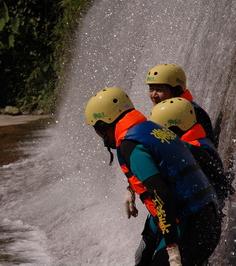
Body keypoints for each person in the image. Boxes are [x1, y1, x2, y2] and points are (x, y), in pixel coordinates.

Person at [85, 87, 221, 265]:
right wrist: (131, 189)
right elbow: (198, 154)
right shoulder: (151, 128)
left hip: (191, 226)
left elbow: (160, 192)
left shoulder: (129, 145)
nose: (98, 135)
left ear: (105, 123)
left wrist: (172, 248)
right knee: (143, 259)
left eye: (97, 129)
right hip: (208, 217)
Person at [145, 63, 218, 147]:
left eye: (159, 90)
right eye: (151, 89)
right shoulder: (169, 111)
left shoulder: (194, 113)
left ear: (176, 90)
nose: (153, 95)